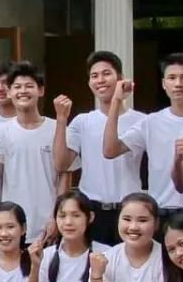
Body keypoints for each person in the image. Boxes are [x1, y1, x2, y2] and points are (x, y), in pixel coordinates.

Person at [52, 51, 144, 246]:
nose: (100, 80)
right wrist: (61, 119)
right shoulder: (82, 121)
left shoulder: (141, 121)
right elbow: (61, 163)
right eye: (94, 76)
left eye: (106, 73)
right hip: (92, 209)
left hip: (129, 209)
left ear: (121, 78)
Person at [104, 56, 183, 213]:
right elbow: (110, 150)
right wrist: (116, 100)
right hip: (159, 209)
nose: (178, 83)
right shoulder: (151, 122)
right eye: (172, 78)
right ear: (164, 84)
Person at [0, 63, 58, 238]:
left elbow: (64, 175)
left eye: (29, 86)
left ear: (41, 90)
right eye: (17, 87)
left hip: (48, 223)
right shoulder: (0, 131)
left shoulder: (56, 128)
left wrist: (57, 217)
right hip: (12, 225)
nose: (23, 91)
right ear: (9, 92)